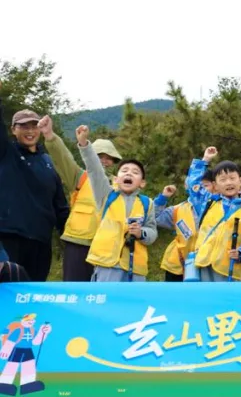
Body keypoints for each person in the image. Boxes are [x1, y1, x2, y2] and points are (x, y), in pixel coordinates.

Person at [37, 114, 123, 281]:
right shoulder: (79, 177)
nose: (104, 161)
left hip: (108, 246)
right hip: (79, 243)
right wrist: (49, 135)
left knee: (103, 291)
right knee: (74, 288)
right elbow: (62, 158)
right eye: (99, 156)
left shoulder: (119, 185)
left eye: (109, 158)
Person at [0, 85, 69, 282]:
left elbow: (60, 206)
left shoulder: (48, 162)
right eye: (23, 126)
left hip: (41, 242)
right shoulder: (6, 153)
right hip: (10, 238)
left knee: (34, 295)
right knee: (7, 293)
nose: (30, 131)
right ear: (13, 130)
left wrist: (70, 237)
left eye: (34, 126)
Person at [75, 125, 157, 282]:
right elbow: (94, 170)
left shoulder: (148, 203)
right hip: (107, 265)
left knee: (133, 299)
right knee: (105, 298)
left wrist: (141, 233)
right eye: (124, 171)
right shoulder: (106, 195)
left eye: (135, 172)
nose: (129, 173)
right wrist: (84, 145)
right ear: (116, 179)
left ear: (142, 183)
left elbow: (152, 231)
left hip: (136, 268)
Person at [186, 147, 241, 282]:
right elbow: (193, 184)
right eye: (223, 179)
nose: (229, 182)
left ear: (240, 181)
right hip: (203, 263)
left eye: (232, 178)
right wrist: (205, 160)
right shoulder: (207, 202)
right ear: (215, 185)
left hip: (229, 268)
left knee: (226, 297)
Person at [154, 172, 213, 282]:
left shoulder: (218, 209)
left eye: (205, 185)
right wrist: (163, 197)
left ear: (214, 186)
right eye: (195, 185)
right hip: (178, 265)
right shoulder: (178, 210)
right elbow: (155, 217)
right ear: (187, 186)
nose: (200, 189)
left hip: (207, 264)